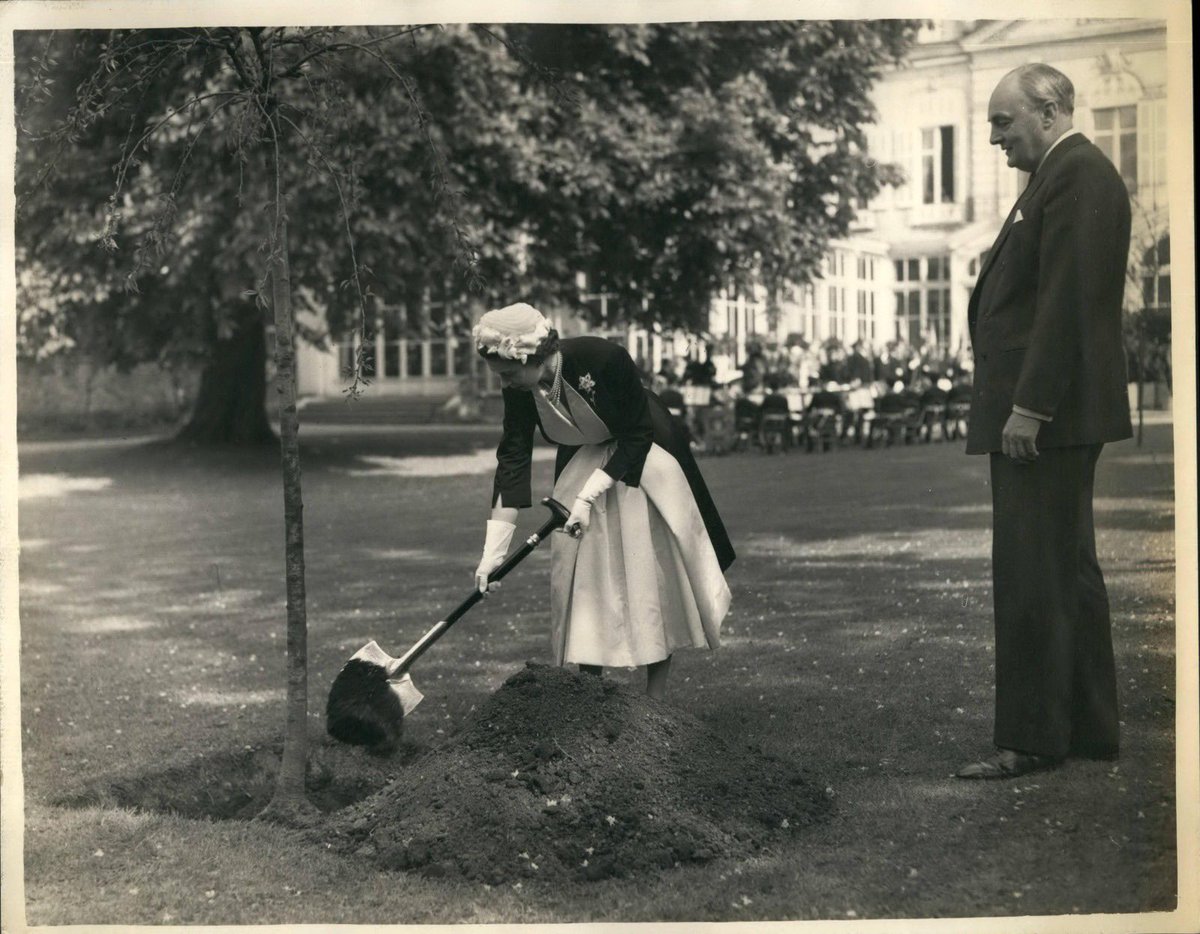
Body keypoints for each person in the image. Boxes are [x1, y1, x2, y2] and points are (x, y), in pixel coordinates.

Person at [956, 64, 1132, 780]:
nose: (994, 136)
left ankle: (1032, 737)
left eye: (1003, 121)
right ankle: (1087, 726)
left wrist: (1030, 407)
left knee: (1033, 572)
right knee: (1067, 569)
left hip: (1046, 418)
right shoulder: (1059, 178)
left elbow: (1068, 304)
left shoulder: (1078, 177)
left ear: (1051, 109)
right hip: (1051, 415)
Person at [471, 303, 735, 700]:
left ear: (529, 356)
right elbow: (513, 459)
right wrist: (493, 551)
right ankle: (589, 696)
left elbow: (636, 434)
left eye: (508, 373)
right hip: (582, 461)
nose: (504, 383)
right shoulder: (521, 389)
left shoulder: (604, 358)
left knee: (649, 571)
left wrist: (588, 496)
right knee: (583, 575)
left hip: (642, 458)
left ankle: (655, 700)